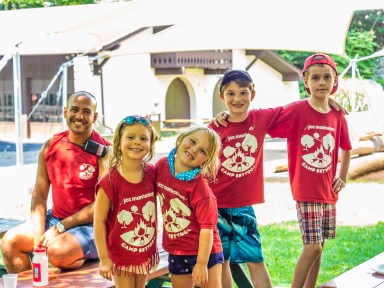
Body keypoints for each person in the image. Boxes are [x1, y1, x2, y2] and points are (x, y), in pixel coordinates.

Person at [210, 69, 348, 288]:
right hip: (215, 206)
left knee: (255, 258)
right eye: (231, 94)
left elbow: (300, 107)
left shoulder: (262, 117)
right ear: (222, 97)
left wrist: (326, 99)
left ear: (252, 94)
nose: (237, 99)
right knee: (223, 261)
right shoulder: (213, 129)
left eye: (243, 92)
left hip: (244, 207)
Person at [1, 91, 111, 273]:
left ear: (95, 116)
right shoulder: (49, 147)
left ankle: (84, 258)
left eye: (86, 111)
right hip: (57, 218)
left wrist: (60, 228)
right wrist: (38, 235)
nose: (79, 116)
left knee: (57, 252)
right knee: (10, 242)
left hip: (94, 225)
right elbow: (39, 196)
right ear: (65, 112)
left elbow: (100, 206)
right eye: (74, 110)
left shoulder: (105, 152)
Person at [268, 53, 351, 288]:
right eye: (315, 78)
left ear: (335, 81)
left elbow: (347, 148)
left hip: (328, 191)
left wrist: (342, 178)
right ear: (306, 82)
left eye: (327, 77)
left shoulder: (337, 115)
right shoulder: (297, 110)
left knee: (320, 244)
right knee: (312, 245)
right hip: (305, 190)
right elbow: (268, 120)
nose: (322, 82)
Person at [94, 115, 159, 288]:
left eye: (143, 138)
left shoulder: (152, 172)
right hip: (120, 254)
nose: (137, 142)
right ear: (118, 142)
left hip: (144, 249)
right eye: (130, 137)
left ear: (151, 145)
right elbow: (99, 221)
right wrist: (104, 258)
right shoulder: (109, 181)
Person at [156, 127, 223, 288]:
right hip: (177, 249)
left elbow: (207, 228)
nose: (193, 150)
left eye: (202, 151)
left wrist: (201, 263)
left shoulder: (200, 189)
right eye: (192, 141)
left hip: (206, 252)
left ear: (205, 161)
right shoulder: (162, 166)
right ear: (180, 139)